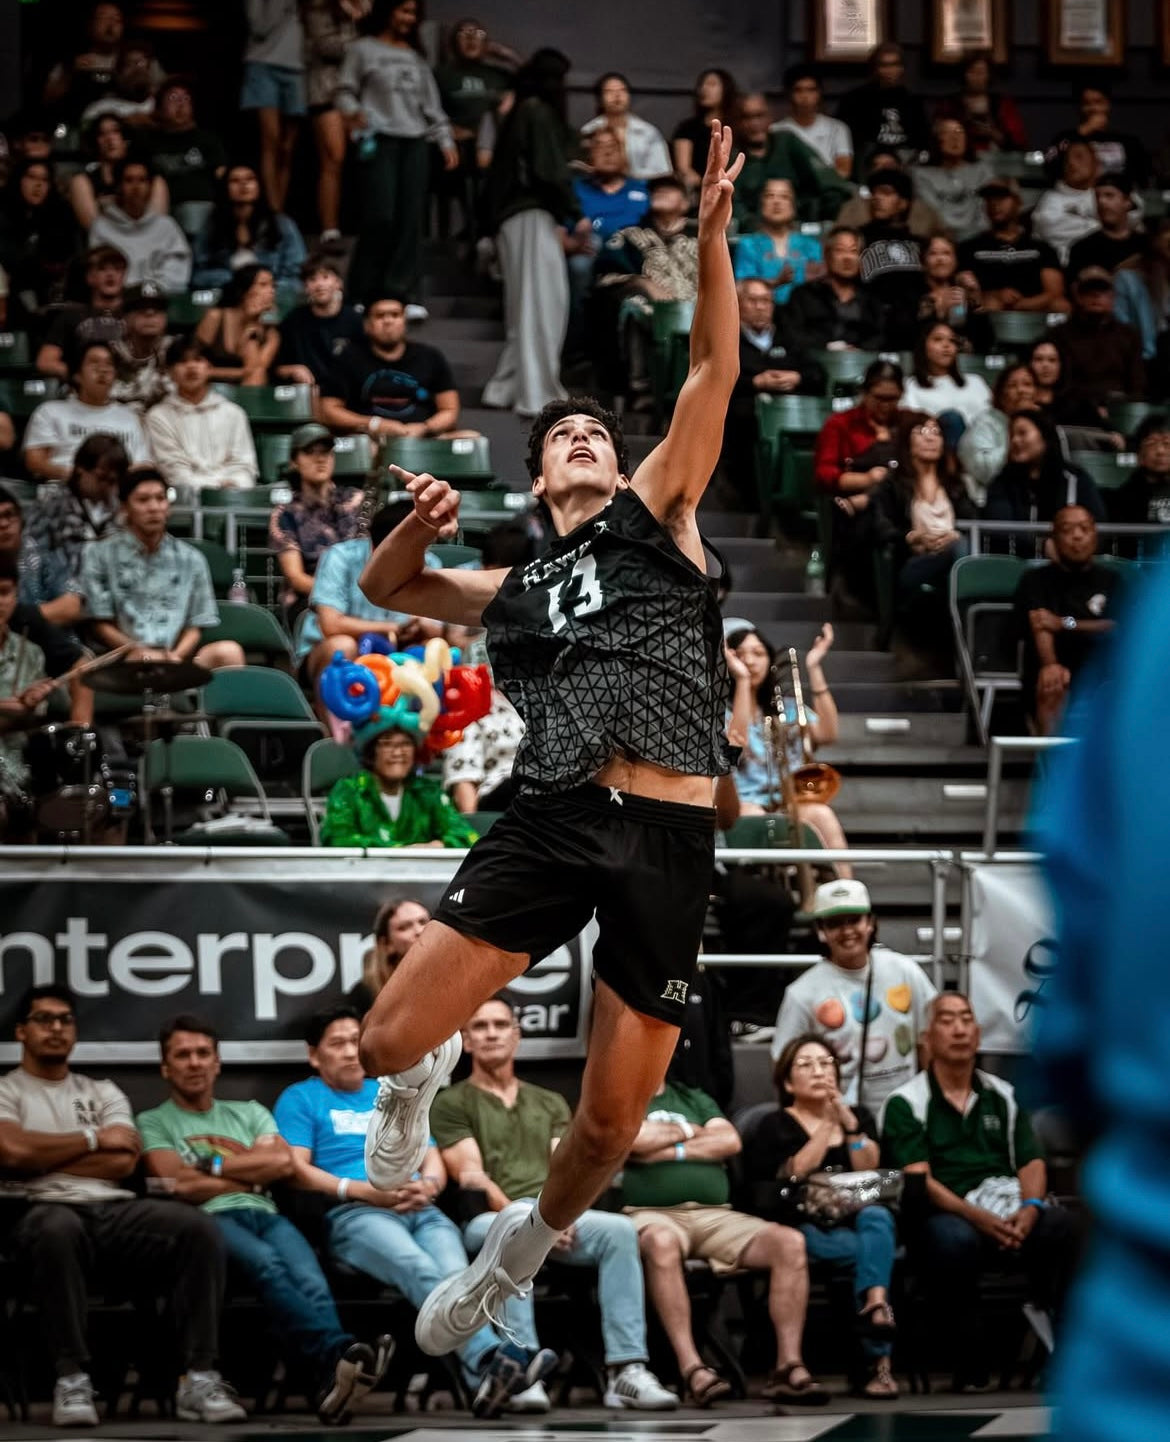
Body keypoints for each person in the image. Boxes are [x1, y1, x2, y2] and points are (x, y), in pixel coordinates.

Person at [352, 123, 745, 1400]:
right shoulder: (519, 584)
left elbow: (709, 363)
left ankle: (510, 1260)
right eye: (563, 434)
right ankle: (416, 1083)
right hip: (556, 811)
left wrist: (711, 235)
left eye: (595, 429)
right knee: (387, 1030)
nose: (584, 434)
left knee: (609, 1127)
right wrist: (411, 525)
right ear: (538, 474)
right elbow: (387, 586)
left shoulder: (659, 512)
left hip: (672, 833)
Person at [0, 984, 246, 1428]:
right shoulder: (7, 1090)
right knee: (56, 1228)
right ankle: (71, 1379)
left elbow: (123, 1161)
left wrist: (45, 1157)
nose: (56, 1028)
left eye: (65, 1020)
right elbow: (12, 1154)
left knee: (195, 1228)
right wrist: (92, 1140)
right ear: (21, 1031)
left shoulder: (102, 1090)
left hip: (111, 1209)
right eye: (44, 1019)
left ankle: (198, 1377)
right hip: (37, 1211)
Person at [137, 1014, 393, 1424]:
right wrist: (248, 1180)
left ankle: (332, 1385)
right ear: (166, 1067)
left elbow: (278, 1161)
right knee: (268, 1267)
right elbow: (176, 1184)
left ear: (218, 1063)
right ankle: (337, 1355)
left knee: (311, 1282)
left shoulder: (249, 1112)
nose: (195, 1062)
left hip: (266, 1215)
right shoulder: (154, 1121)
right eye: (182, 1055)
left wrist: (211, 1167)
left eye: (204, 1053)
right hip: (205, 1223)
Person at [274, 1004, 526, 1417]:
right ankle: (489, 1360)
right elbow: (295, 1170)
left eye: (357, 1041)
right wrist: (361, 1191)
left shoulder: (388, 1092)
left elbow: (431, 1157)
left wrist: (428, 1185)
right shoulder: (302, 1097)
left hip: (419, 1208)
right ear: (314, 1055)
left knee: (459, 1278)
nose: (351, 1052)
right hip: (356, 1215)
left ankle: (485, 1383)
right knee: (418, 1267)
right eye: (337, 1044)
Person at [432, 997, 678, 1413]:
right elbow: (473, 1176)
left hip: (553, 1216)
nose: (491, 1033)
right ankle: (522, 1370)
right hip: (491, 1220)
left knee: (619, 1231)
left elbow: (566, 1171)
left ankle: (626, 1370)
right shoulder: (451, 1102)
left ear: (517, 1035)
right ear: (467, 1041)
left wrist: (556, 1217)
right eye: (480, 1027)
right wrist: (539, 1226)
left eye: (500, 1024)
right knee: (512, 1233)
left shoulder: (548, 1102)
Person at [880, 992, 1079, 1389]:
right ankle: (970, 1361)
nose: (958, 1029)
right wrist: (981, 1220)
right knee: (954, 1240)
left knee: (1067, 1226)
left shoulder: (1002, 1094)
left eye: (966, 1019)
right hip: (945, 1214)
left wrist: (1031, 1209)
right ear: (928, 1038)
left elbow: (1030, 1161)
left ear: (978, 1032)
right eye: (947, 1020)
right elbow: (922, 1179)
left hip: (1006, 1208)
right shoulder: (905, 1102)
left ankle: (1058, 1347)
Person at [620, 1067, 825, 1406]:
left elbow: (730, 1140)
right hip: (651, 1214)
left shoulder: (694, 1097)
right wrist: (691, 1131)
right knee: (661, 1243)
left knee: (789, 1244)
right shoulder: (621, 1098)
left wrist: (667, 1150)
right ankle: (693, 1370)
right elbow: (632, 1140)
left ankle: (787, 1367)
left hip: (716, 1215)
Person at [746, 1034, 897, 1399]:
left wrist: (849, 1125)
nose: (819, 1071)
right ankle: (879, 1358)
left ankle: (875, 1301)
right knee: (871, 1253)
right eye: (807, 1064)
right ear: (787, 1081)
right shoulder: (774, 1124)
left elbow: (870, 1169)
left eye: (827, 1063)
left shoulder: (857, 1117)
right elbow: (795, 1171)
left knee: (878, 1218)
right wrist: (827, 1125)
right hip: (803, 1225)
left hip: (857, 1220)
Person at [771, 879, 937, 1107]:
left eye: (854, 920)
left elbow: (929, 1039)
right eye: (835, 923)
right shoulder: (802, 992)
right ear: (821, 931)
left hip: (906, 1113)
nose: (847, 930)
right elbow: (783, 1062)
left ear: (870, 923)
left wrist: (930, 1101)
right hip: (839, 1118)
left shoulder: (905, 971)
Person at [336, 0, 458, 311]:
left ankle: (398, 294)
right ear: (387, 11)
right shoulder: (362, 49)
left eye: (413, 13)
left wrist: (445, 140)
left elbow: (431, 104)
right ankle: (363, 292)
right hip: (379, 139)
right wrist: (354, 112)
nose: (408, 18)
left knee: (410, 220)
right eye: (403, 10)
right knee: (380, 216)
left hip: (415, 141)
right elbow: (344, 90)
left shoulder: (416, 57)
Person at [481, 48, 581, 417]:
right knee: (544, 304)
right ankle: (538, 394)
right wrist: (574, 213)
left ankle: (504, 386)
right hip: (528, 212)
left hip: (513, 216)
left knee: (525, 307)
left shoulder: (523, 110)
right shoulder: (536, 111)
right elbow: (548, 170)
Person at [78, 466, 246, 671]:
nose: (154, 507)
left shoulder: (191, 559)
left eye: (160, 498)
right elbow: (100, 624)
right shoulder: (99, 554)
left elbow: (196, 625)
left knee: (229, 652)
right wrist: (135, 650)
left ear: (169, 506)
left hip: (175, 657)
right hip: (124, 658)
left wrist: (175, 657)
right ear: (124, 508)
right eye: (143, 500)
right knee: (139, 661)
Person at [724, 624, 851, 865]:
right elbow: (735, 745)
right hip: (745, 804)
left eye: (758, 653)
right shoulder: (722, 714)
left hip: (791, 800)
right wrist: (742, 681)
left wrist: (813, 666)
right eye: (740, 654)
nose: (749, 660)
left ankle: (844, 893)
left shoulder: (790, 708)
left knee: (823, 815)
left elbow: (827, 733)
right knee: (755, 818)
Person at [296, 502, 442, 693]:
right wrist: (393, 629)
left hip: (399, 651)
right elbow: (331, 626)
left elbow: (435, 631)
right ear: (381, 546)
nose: (422, 554)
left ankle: (418, 722)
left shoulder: (429, 562)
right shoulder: (340, 557)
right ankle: (337, 723)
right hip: (334, 649)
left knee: (431, 650)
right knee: (342, 646)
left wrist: (421, 627)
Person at [1013, 504, 1123, 734]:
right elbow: (1040, 625)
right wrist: (1051, 664)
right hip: (1055, 664)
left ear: (1095, 535)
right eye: (1067, 529)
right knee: (1052, 681)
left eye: (1084, 528)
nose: (1077, 536)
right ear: (1053, 538)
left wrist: (1064, 623)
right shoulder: (1036, 579)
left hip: (1102, 665)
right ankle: (1052, 764)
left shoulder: (1112, 580)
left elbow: (1117, 627)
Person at [721, 276, 824, 507]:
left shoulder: (790, 338)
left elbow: (817, 374)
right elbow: (718, 378)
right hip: (746, 420)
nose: (760, 307)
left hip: (792, 417)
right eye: (753, 300)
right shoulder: (727, 340)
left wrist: (797, 377)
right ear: (738, 303)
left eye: (766, 301)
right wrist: (755, 382)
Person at [871, 414, 973, 644]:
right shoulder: (893, 485)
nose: (931, 438)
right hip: (913, 561)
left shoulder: (955, 485)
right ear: (907, 442)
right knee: (962, 553)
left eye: (936, 433)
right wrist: (912, 538)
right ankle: (967, 627)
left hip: (952, 558)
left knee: (960, 548)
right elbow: (879, 526)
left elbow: (973, 521)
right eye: (922, 432)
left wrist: (954, 536)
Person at [319, 712, 478, 848]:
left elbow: (467, 837)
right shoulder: (350, 791)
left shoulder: (427, 792)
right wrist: (400, 851)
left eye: (406, 744)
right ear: (371, 750)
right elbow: (337, 839)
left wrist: (437, 846)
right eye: (387, 744)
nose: (398, 753)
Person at [319, 294, 463, 437]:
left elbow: (449, 409)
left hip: (423, 438)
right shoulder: (347, 358)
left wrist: (424, 428)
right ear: (367, 324)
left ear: (405, 321)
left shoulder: (430, 357)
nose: (388, 321)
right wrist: (373, 424)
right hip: (367, 438)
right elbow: (329, 410)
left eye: (395, 315)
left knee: (470, 438)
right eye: (380, 316)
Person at [268, 422, 364, 611]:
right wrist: (340, 596)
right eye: (310, 452)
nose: (320, 459)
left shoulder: (356, 500)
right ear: (294, 461)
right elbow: (296, 578)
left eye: (326, 452)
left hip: (361, 594)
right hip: (310, 600)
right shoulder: (285, 514)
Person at [23, 340, 151, 482]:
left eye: (109, 364)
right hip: (63, 488)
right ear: (77, 374)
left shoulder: (129, 417)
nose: (103, 370)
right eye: (94, 363)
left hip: (117, 491)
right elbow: (35, 462)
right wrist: (78, 477)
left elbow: (143, 465)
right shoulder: (49, 412)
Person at [145, 336, 260, 491]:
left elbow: (244, 466)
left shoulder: (234, 413)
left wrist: (233, 486)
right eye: (183, 361)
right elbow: (173, 472)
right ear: (170, 372)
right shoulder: (158, 416)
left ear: (210, 368)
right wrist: (217, 486)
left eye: (198, 360)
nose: (191, 367)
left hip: (232, 497)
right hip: (183, 502)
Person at [302, 0, 368, 247]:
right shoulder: (318, 10)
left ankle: (367, 226)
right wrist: (360, 31)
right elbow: (325, 47)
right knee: (333, 158)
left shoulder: (370, 12)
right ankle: (330, 229)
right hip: (327, 90)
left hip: (361, 94)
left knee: (366, 158)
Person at [25, 433, 127, 588]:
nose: (107, 487)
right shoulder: (53, 503)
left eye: (113, 481)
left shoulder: (114, 505)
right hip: (54, 588)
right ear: (80, 470)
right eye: (102, 478)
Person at [733, 92, 850, 223]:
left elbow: (831, 185)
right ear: (737, 122)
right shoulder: (732, 155)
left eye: (759, 116)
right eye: (746, 118)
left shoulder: (786, 142)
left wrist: (813, 220)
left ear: (770, 117)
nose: (754, 123)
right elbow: (731, 201)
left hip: (797, 227)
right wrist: (752, 226)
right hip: (749, 234)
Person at [958, 179, 1069, 314]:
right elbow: (963, 290)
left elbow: (1054, 292)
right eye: (989, 199)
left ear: (1018, 202)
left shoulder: (1042, 248)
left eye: (1001, 197)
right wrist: (995, 295)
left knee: (1061, 305)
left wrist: (1023, 304)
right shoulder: (969, 248)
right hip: (986, 308)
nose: (994, 203)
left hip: (1033, 307)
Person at [191, 163, 307, 292]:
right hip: (227, 296)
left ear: (259, 185)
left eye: (250, 179)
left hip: (274, 297)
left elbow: (296, 273)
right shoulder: (212, 226)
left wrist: (265, 287)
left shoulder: (282, 225)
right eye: (235, 180)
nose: (243, 185)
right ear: (225, 188)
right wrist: (237, 283)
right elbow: (198, 275)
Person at [88, 157, 192, 292]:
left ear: (150, 186)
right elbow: (98, 271)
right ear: (119, 186)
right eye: (129, 180)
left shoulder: (166, 226)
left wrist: (151, 290)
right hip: (116, 300)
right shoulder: (101, 227)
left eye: (142, 180)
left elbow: (177, 270)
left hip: (157, 300)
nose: (136, 187)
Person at [0, 554, 57, 794]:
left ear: (16, 594)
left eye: (3, 593)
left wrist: (32, 708)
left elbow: (34, 722)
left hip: (20, 771)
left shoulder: (32, 653)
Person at [241, 0, 305, 212]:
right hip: (263, 64)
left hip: (297, 67)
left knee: (287, 148)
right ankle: (273, 210)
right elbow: (259, 26)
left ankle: (280, 211)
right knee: (272, 142)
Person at [143, 78, 227, 238]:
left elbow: (222, 176)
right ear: (159, 107)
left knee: (192, 214)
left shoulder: (207, 140)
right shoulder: (149, 143)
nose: (180, 104)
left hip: (200, 208)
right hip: (160, 210)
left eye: (186, 98)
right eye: (173, 98)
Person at [0, 158, 80, 324]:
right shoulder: (3, 215)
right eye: (31, 177)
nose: (38, 185)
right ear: (18, 180)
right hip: (12, 299)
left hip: (50, 298)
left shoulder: (61, 216)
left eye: (44, 179)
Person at [782, 226, 885, 355]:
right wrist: (826, 347)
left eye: (854, 251)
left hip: (861, 364)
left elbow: (881, 337)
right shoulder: (803, 295)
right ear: (827, 256)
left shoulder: (872, 298)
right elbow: (792, 337)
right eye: (840, 250)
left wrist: (859, 351)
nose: (847, 258)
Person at [35, 244, 127, 381]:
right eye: (102, 269)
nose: (110, 274)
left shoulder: (135, 314)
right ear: (90, 277)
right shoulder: (71, 316)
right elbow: (45, 362)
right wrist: (82, 376)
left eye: (117, 269)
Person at [858, 169, 927, 347]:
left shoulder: (920, 244)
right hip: (870, 321)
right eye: (874, 193)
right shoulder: (859, 239)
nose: (877, 198)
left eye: (886, 193)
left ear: (903, 203)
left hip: (914, 323)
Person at [1055, 267, 1145, 401]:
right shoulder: (1060, 334)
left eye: (1102, 290)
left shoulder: (1129, 334)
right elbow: (1062, 384)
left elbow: (1137, 384)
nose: (1096, 294)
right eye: (1088, 290)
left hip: (1117, 408)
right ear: (1079, 296)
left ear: (1112, 298)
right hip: (1075, 407)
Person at [68, 110, 168, 230]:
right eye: (102, 133)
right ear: (95, 141)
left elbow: (157, 226)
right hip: (105, 245)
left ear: (126, 139)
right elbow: (94, 228)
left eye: (116, 132)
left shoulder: (153, 179)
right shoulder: (82, 182)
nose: (110, 139)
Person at [276, 254, 365, 385]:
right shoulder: (294, 320)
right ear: (305, 287)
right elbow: (277, 368)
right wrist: (293, 369)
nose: (319, 285)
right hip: (305, 390)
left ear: (338, 282)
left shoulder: (354, 319)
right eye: (312, 279)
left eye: (325, 277)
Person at [957, 362, 1039, 503]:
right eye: (1012, 385)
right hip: (993, 498)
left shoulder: (1045, 424)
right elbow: (983, 471)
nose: (1021, 390)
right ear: (1001, 395)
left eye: (1027, 384)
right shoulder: (984, 423)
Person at [836, 43, 930, 167]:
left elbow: (923, 141)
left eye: (895, 64)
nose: (890, 70)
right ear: (875, 68)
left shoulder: (913, 102)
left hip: (905, 165)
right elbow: (847, 141)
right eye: (884, 65)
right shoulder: (855, 99)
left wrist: (902, 159)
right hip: (867, 163)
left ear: (902, 68)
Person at [732, 177, 823, 305]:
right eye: (770, 195)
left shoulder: (811, 246)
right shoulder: (748, 245)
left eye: (784, 196)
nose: (776, 202)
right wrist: (775, 283)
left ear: (794, 204)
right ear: (761, 203)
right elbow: (743, 288)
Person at [0, 483, 79, 629]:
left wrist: (17, 617)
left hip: (52, 641)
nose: (4, 524)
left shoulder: (38, 551)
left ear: (21, 519)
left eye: (9, 515)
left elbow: (71, 606)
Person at [1045, 81, 1150, 189]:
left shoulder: (1129, 142)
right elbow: (1049, 165)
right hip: (1075, 197)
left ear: (1108, 105)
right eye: (1086, 103)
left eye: (1098, 102)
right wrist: (1081, 133)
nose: (1093, 108)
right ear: (1079, 107)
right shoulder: (1065, 138)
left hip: (1116, 199)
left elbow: (1143, 178)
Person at [194, 263, 281, 385]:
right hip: (208, 384)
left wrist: (252, 324)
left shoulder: (271, 334)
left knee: (258, 375)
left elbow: (254, 371)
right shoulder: (215, 316)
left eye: (273, 286)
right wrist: (239, 373)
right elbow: (192, 361)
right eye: (263, 285)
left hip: (243, 386)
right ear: (245, 289)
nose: (271, 291)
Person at [901, 319, 993, 435]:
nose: (947, 345)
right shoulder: (910, 386)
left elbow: (990, 420)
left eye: (952, 341)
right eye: (938, 339)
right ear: (923, 345)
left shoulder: (976, 382)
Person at [912, 118, 992, 243]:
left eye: (959, 132)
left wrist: (979, 236)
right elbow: (932, 212)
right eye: (946, 133)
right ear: (937, 140)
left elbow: (985, 210)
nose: (955, 138)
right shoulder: (922, 175)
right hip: (938, 237)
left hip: (979, 237)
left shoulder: (982, 171)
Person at [934, 50, 1026, 156]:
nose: (976, 77)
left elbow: (1018, 142)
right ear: (964, 74)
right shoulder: (949, 104)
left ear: (988, 75)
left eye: (981, 72)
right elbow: (937, 136)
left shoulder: (1003, 104)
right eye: (972, 72)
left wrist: (993, 133)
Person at [580, 71, 670, 180]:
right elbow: (581, 169)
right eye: (609, 91)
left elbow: (663, 172)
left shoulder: (648, 132)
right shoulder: (589, 130)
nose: (617, 96)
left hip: (643, 190)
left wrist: (632, 178)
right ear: (600, 99)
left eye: (622, 90)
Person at [347, 899, 431, 1013]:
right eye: (404, 927)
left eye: (423, 922)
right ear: (386, 944)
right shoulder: (365, 995)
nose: (419, 931)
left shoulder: (456, 977)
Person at [916, 232, 993, 351]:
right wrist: (939, 311)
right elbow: (907, 338)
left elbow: (985, 343)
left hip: (964, 361)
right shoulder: (911, 293)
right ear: (923, 261)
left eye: (946, 253)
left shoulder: (962, 293)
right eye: (933, 253)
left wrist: (976, 302)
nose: (940, 259)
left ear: (956, 261)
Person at [1030, 140, 1102, 266]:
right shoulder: (1050, 199)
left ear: (1096, 164)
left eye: (1079, 157)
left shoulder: (1107, 192)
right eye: (1067, 159)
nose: (1071, 163)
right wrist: (1101, 227)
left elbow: (1130, 218)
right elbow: (1050, 228)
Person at [774, 63, 852, 178]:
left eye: (811, 90)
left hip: (828, 190)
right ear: (789, 94)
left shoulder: (838, 129)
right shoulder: (776, 131)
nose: (805, 96)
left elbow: (844, 171)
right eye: (798, 90)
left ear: (819, 93)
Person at [109, 281, 174, 411]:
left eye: (157, 308)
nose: (150, 313)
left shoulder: (177, 351)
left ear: (165, 317)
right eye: (140, 308)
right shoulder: (109, 353)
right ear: (125, 317)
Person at [1067, 174, 1146, 281]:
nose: (1101, 202)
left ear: (1127, 202)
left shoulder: (1146, 245)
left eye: (1109, 195)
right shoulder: (1082, 249)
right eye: (1097, 197)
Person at [672, 68, 738, 192]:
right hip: (700, 190)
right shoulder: (687, 128)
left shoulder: (736, 127)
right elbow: (684, 169)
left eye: (712, 84)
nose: (704, 89)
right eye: (702, 84)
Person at [1108, 411, 1170, 541]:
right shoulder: (1124, 497)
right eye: (1152, 444)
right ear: (1139, 455)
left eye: (1167, 444)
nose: (1160, 451)